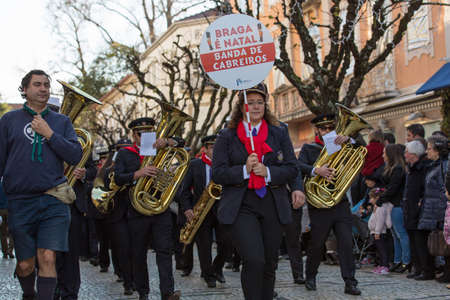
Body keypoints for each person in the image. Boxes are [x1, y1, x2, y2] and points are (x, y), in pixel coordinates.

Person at [212, 83, 303, 300]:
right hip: (242, 204)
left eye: (260, 102)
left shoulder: (279, 132)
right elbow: (218, 173)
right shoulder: (227, 135)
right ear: (242, 106)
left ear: (265, 105)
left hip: (272, 201)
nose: (255, 107)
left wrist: (268, 172)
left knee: (270, 262)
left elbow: (292, 167)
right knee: (254, 260)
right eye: (250, 102)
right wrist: (244, 170)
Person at [0, 70, 82, 300]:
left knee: (47, 257)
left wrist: (49, 134)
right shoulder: (8, 121)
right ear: (25, 89)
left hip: (53, 199)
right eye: (37, 84)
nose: (44, 88)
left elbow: (75, 155)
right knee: (26, 265)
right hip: (19, 201)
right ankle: (29, 295)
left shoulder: (61, 121)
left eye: (46, 84)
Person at [114, 117, 183, 300]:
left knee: (164, 251)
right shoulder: (125, 154)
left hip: (160, 209)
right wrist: (138, 173)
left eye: (148, 133)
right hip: (137, 210)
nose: (144, 137)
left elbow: (181, 143)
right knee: (138, 252)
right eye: (140, 134)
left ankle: (167, 292)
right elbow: (117, 178)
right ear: (133, 135)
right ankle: (143, 292)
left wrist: (168, 141)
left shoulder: (161, 151)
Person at [298, 113, 361, 295]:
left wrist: (350, 140)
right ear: (317, 130)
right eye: (323, 128)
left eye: (330, 128)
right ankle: (310, 275)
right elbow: (297, 166)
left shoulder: (344, 145)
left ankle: (350, 282)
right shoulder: (310, 148)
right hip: (319, 204)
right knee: (317, 243)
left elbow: (362, 150)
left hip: (340, 202)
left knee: (346, 242)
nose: (327, 131)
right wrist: (316, 170)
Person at [181, 135, 229, 288]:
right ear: (205, 149)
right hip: (201, 210)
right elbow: (185, 190)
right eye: (213, 148)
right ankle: (208, 275)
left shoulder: (225, 164)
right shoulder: (195, 165)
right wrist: (187, 208)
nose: (216, 151)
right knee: (204, 245)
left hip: (222, 209)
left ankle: (217, 268)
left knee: (226, 243)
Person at [415, 135, 448, 281]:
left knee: (445, 241)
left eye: (429, 148)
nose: (427, 152)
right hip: (431, 208)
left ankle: (445, 272)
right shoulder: (434, 165)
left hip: (439, 209)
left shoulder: (444, 165)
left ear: (438, 150)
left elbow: (444, 189)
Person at [376, 144, 410, 273]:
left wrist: (381, 199)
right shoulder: (392, 168)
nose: (383, 155)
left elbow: (393, 188)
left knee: (401, 234)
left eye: (384, 153)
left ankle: (405, 261)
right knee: (396, 235)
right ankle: (397, 260)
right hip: (392, 204)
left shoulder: (398, 169)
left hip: (397, 204)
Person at [403, 140, 430, 279]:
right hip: (409, 208)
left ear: (414, 154)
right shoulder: (411, 168)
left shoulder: (423, 168)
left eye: (407, 152)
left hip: (418, 209)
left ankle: (426, 269)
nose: (405, 154)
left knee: (420, 242)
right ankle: (417, 268)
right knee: (413, 241)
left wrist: (420, 202)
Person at [368, 187, 393, 275]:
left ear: (377, 198)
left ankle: (385, 266)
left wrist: (377, 232)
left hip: (380, 233)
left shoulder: (381, 207)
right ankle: (381, 265)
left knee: (382, 250)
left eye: (371, 198)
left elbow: (380, 221)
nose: (370, 201)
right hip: (376, 232)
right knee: (379, 250)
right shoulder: (377, 207)